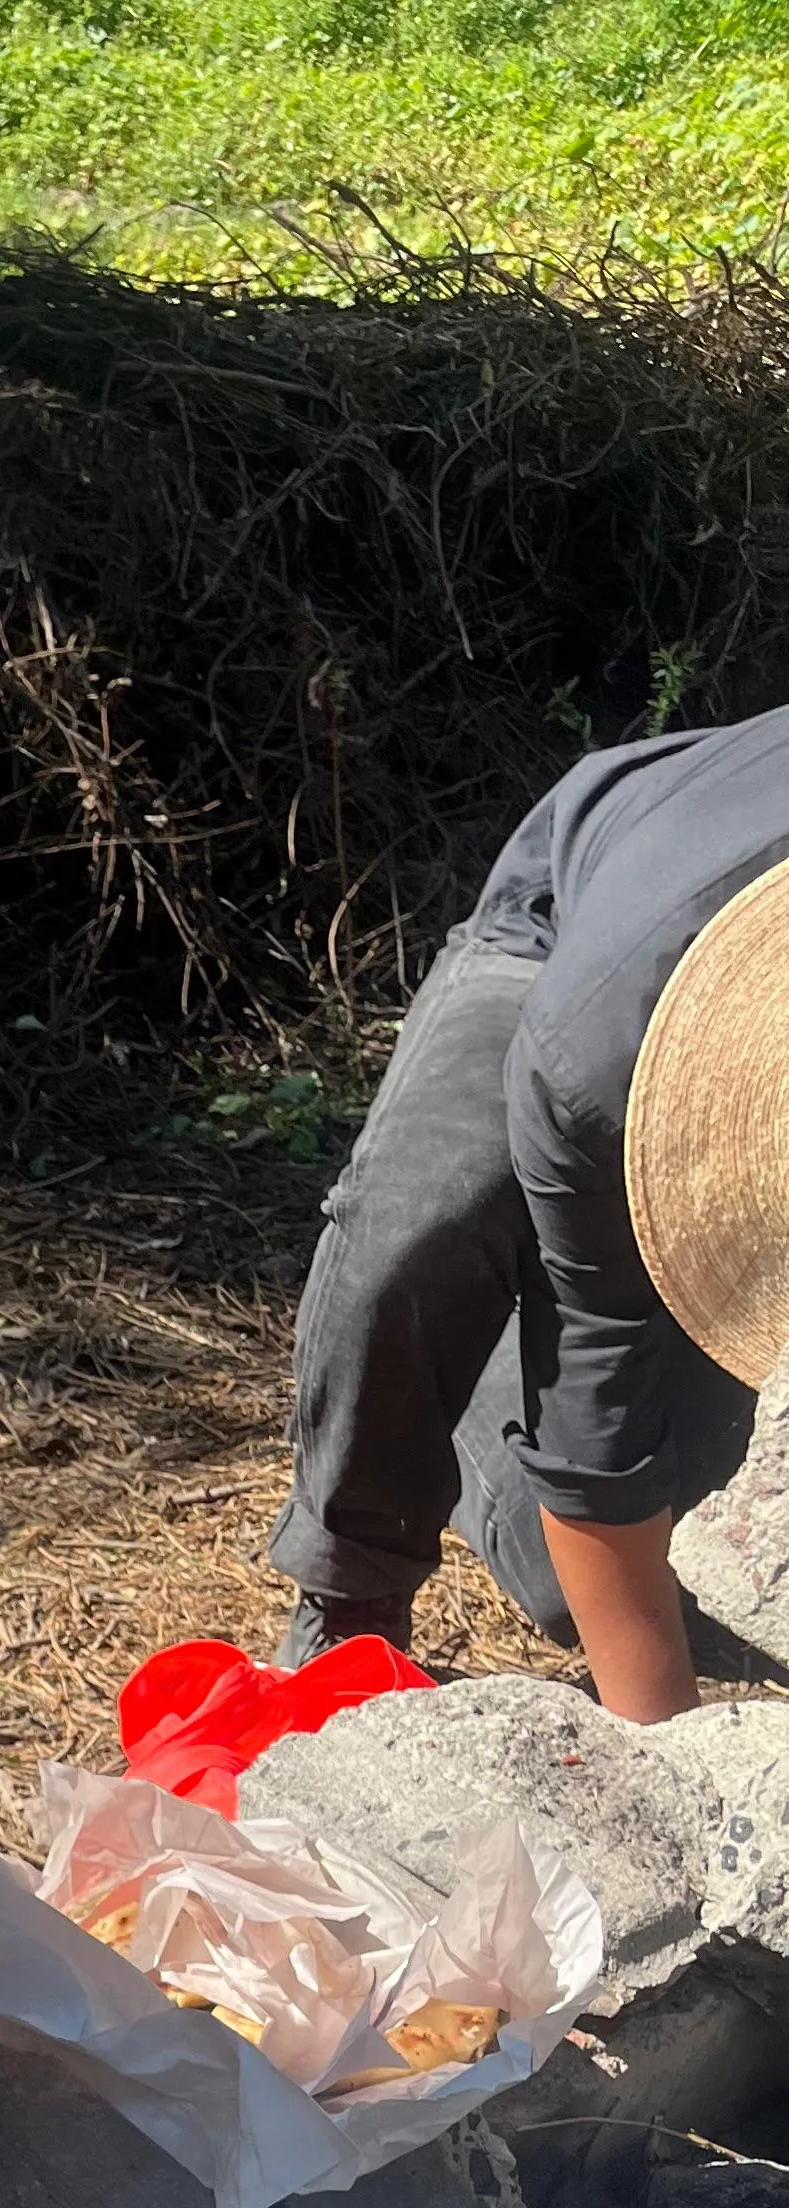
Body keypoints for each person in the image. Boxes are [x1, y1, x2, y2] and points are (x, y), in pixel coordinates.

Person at [267, 708, 789, 1721]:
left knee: (672, 1576)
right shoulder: (598, 1060)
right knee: (422, 1227)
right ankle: (354, 1587)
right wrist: (675, 1780)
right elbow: (601, 1443)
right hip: (564, 924)